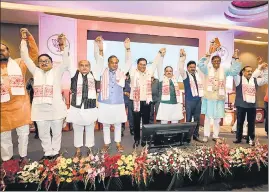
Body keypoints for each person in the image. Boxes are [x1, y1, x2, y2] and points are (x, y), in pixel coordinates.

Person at [20, 30, 70, 160]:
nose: (44, 62)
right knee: (43, 133)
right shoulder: (36, 71)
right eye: (41, 61)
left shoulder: (57, 71)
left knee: (57, 133)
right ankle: (48, 153)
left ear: (52, 62)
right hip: (40, 110)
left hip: (55, 109)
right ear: (38, 63)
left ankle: (56, 152)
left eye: (47, 60)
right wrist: (24, 40)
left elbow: (65, 61)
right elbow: (25, 57)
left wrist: (63, 46)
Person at [0, 28, 38, 163]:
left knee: (23, 134)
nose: (1, 52)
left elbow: (33, 54)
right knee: (4, 136)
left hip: (20, 105)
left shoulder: (18, 63)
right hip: (2, 108)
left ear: (8, 52)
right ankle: (6, 158)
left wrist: (28, 38)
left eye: (3, 49)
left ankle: (23, 156)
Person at [66, 36, 104, 157]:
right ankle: (77, 150)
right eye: (81, 65)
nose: (84, 67)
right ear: (78, 67)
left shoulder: (95, 74)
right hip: (76, 107)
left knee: (89, 129)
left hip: (90, 106)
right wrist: (64, 47)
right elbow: (67, 60)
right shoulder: (74, 74)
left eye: (86, 65)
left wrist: (98, 46)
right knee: (77, 129)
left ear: (90, 67)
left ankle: (89, 148)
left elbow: (100, 61)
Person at [125, 39, 165, 148]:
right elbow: (128, 61)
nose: (143, 66)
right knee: (137, 122)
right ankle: (137, 139)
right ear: (137, 64)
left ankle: (145, 140)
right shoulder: (133, 72)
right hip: (136, 101)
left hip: (147, 101)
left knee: (146, 122)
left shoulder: (149, 72)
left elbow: (155, 63)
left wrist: (160, 53)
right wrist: (128, 49)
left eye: (144, 64)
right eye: (141, 64)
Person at [198, 48, 241, 142]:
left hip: (219, 98)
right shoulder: (207, 70)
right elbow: (200, 64)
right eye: (214, 61)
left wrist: (236, 58)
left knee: (217, 118)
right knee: (208, 118)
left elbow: (235, 71)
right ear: (212, 62)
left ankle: (216, 135)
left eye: (218, 61)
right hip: (209, 98)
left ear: (220, 62)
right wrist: (207, 55)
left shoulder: (224, 70)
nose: (216, 62)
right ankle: (206, 135)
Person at [97, 38, 132, 153]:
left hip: (118, 102)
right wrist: (100, 48)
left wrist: (127, 49)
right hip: (105, 102)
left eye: (116, 62)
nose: (114, 64)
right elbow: (99, 60)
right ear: (108, 63)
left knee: (118, 124)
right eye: (112, 62)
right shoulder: (102, 71)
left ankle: (118, 142)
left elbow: (129, 62)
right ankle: (106, 144)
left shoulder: (121, 72)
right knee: (106, 125)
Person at [233, 62, 268, 146]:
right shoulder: (239, 80)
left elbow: (266, 78)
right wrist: (235, 59)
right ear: (243, 72)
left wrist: (265, 69)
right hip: (241, 105)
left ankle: (251, 139)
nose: (250, 72)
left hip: (252, 105)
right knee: (240, 122)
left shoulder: (255, 80)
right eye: (248, 71)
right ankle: (238, 138)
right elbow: (234, 71)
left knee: (251, 123)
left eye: (251, 71)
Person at [178, 49, 203, 142]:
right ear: (187, 68)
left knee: (197, 119)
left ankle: (195, 135)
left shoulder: (198, 76)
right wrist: (182, 58)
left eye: (194, 67)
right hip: (189, 101)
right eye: (191, 67)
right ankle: (186, 137)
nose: (193, 68)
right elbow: (180, 68)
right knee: (188, 119)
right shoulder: (185, 75)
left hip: (198, 101)